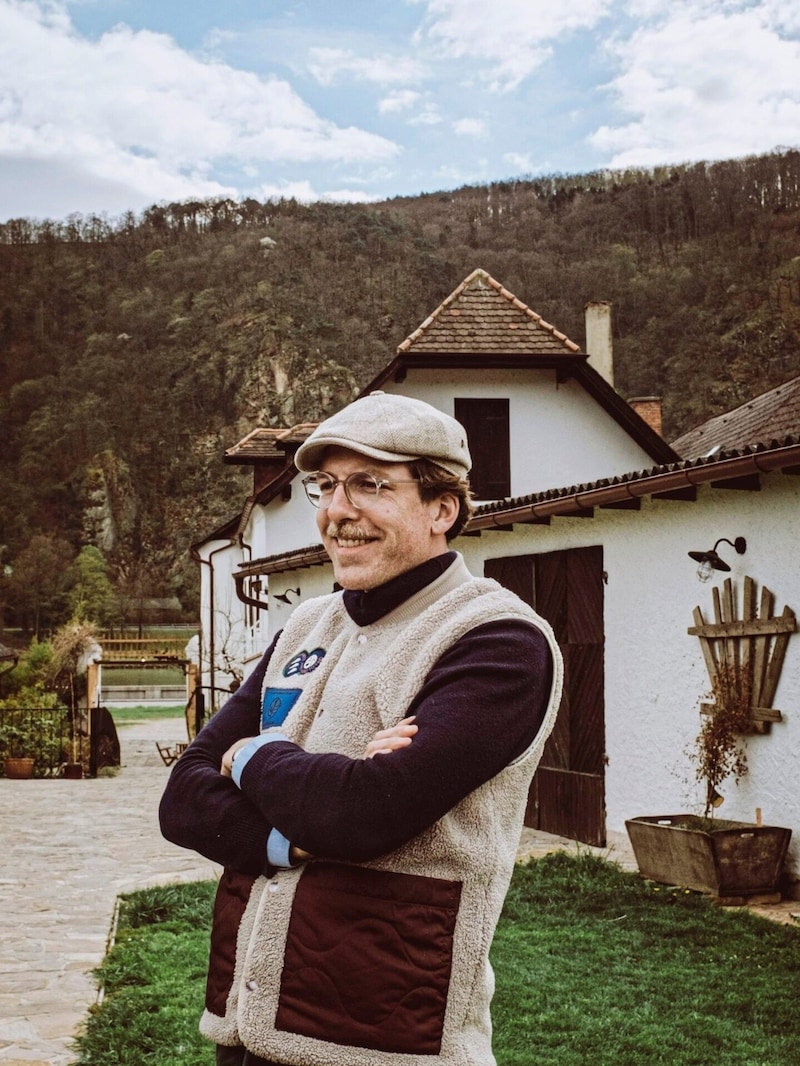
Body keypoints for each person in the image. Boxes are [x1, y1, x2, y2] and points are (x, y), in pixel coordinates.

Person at [159, 391, 563, 1066]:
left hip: (386, 1042)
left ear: (443, 508)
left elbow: (363, 813)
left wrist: (250, 757)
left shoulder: (497, 639)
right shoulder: (304, 628)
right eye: (326, 486)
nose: (336, 512)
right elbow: (181, 800)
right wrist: (299, 833)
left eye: (370, 485)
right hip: (248, 1031)